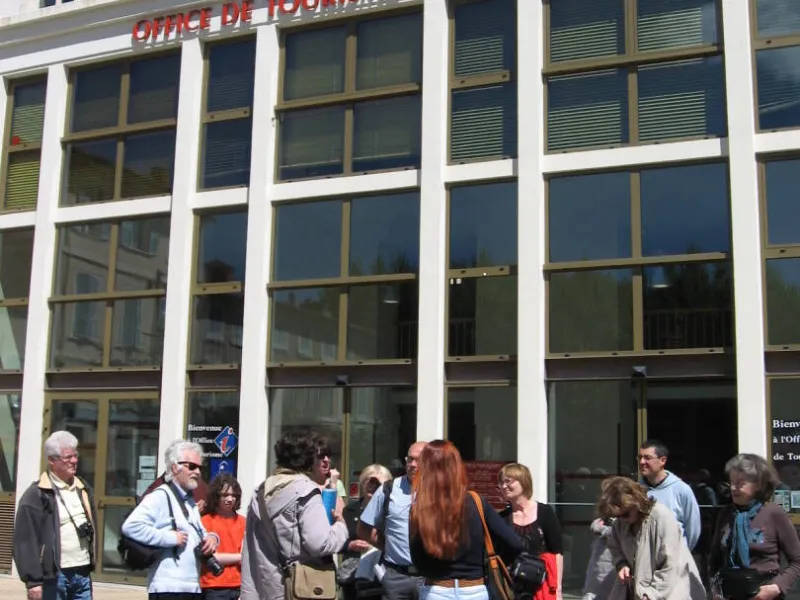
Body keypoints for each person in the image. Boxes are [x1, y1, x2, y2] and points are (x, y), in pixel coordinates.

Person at [240, 430, 349, 600]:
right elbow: (319, 544)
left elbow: (249, 553)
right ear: (309, 460)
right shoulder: (306, 491)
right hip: (301, 591)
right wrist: (341, 527)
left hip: (267, 591)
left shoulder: (260, 492)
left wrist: (248, 595)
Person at [410, 440, 523, 600]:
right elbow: (515, 544)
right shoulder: (477, 502)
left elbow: (418, 561)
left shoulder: (420, 508)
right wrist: (489, 563)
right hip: (474, 590)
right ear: (456, 467)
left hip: (437, 590)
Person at [122, 440, 220, 600]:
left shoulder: (189, 500)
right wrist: (169, 538)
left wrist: (212, 538)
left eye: (200, 468)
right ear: (175, 467)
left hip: (192, 586)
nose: (197, 472)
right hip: (167, 587)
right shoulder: (160, 496)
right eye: (192, 466)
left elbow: (198, 532)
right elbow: (131, 526)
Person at [13, 431, 98, 600]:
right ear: (52, 460)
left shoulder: (83, 488)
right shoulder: (36, 494)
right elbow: (25, 541)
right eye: (67, 457)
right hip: (54, 576)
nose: (74, 461)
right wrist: (33, 581)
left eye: (75, 456)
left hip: (82, 572)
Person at [709, 454, 800, 600]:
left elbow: (797, 561)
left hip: (764, 594)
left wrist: (777, 587)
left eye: (740, 483)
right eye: (731, 482)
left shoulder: (774, 513)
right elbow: (715, 560)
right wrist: (715, 590)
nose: (733, 488)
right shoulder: (726, 514)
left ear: (758, 485)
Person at [599, 476, 705, 600]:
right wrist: (621, 564)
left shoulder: (660, 517)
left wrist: (652, 594)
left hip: (670, 591)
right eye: (617, 516)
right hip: (639, 591)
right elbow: (615, 547)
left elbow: (670, 564)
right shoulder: (620, 524)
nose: (622, 519)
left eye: (626, 514)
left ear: (636, 502)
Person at [358, 442, 427, 600]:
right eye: (410, 459)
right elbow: (363, 529)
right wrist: (388, 547)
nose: (413, 464)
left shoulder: (440, 491)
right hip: (396, 577)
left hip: (429, 577)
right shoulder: (388, 489)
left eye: (419, 460)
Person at [497, 463, 564, 600]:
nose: (503, 486)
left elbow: (557, 553)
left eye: (508, 481)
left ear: (523, 481)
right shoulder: (502, 518)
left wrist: (557, 589)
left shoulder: (545, 513)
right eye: (501, 482)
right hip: (511, 590)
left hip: (541, 587)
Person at [341, 464, 394, 600]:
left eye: (377, 483)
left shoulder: (393, 510)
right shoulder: (349, 510)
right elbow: (338, 541)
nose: (372, 486)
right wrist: (350, 545)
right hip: (353, 577)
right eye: (368, 481)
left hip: (382, 576)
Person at [638, 440, 701, 550]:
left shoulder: (681, 490)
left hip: (674, 556)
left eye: (647, 458)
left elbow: (693, 529)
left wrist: (681, 552)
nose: (642, 462)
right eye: (640, 457)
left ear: (662, 460)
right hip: (643, 556)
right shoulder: (636, 490)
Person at [200, 474, 246, 600]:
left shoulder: (244, 522)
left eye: (234, 495)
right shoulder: (205, 521)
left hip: (240, 586)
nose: (230, 499)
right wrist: (240, 557)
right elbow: (212, 557)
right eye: (225, 495)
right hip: (214, 586)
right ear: (216, 496)